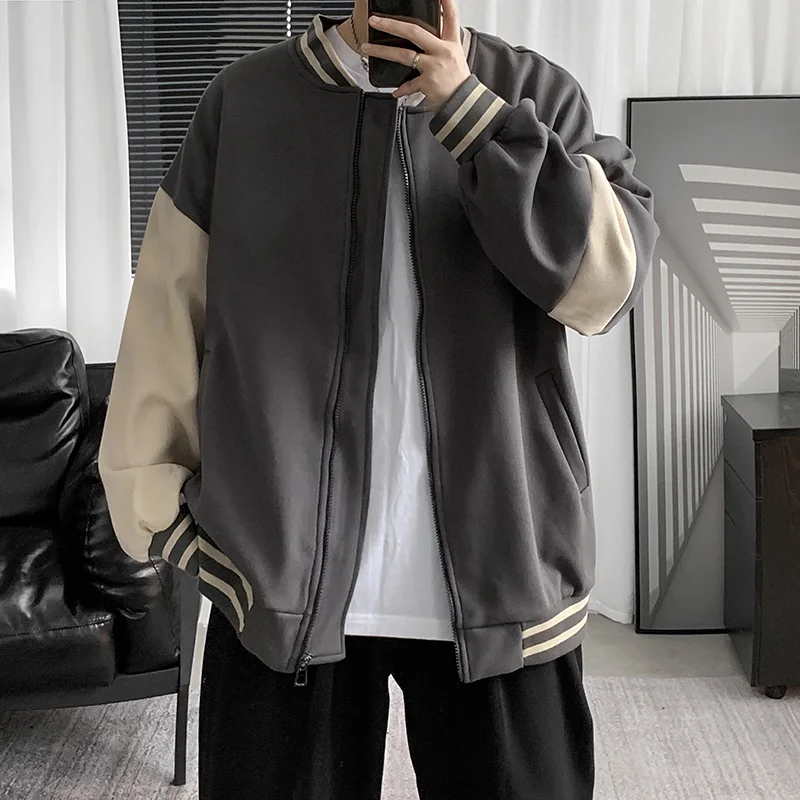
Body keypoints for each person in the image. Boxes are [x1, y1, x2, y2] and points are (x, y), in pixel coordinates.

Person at [98, 1, 658, 797]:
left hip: (503, 571)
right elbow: (168, 312)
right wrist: (157, 502)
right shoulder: (247, 103)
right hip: (280, 576)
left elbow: (607, 286)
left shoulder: (533, 93)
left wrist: (472, 115)